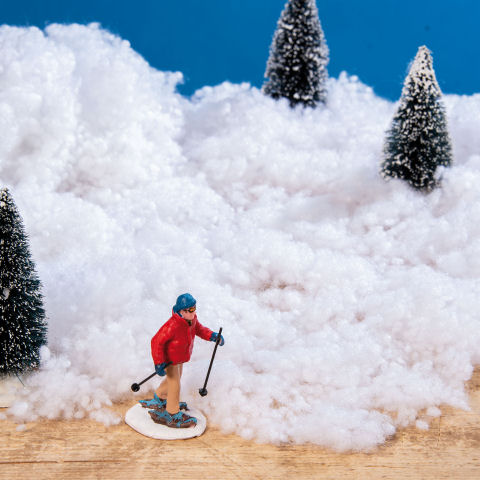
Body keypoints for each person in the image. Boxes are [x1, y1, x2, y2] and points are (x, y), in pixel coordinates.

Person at [139, 293, 224, 428]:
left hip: (179, 358)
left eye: (194, 308)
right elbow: (156, 341)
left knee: (175, 379)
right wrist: (159, 362)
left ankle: (160, 397)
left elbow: (200, 330)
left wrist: (213, 336)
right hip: (169, 359)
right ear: (181, 311)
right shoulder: (172, 325)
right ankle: (172, 414)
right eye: (190, 310)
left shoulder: (192, 320)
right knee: (175, 384)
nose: (194, 312)